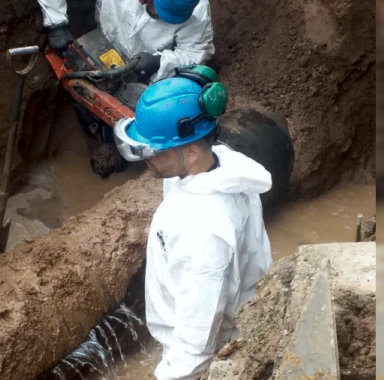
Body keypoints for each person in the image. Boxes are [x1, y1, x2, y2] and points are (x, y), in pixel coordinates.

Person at [113, 66, 274, 380]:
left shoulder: (203, 230)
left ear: (189, 152)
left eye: (152, 150)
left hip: (206, 350)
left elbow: (197, 339)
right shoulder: (219, 165)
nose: (145, 157)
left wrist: (172, 374)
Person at [36, 0, 215, 82]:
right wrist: (56, 22)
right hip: (101, 35)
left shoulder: (197, 11)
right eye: (156, 10)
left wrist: (160, 62)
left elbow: (196, 52)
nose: (157, 17)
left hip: (138, 71)